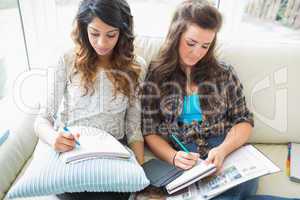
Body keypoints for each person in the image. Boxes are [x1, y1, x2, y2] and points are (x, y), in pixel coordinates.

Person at [141, 0, 257, 199]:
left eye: (205, 46)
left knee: (245, 186)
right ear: (176, 36)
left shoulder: (223, 74)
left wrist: (222, 150)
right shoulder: (157, 75)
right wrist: (174, 156)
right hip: (188, 154)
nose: (197, 53)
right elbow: (149, 129)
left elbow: (243, 120)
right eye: (191, 43)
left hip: (224, 148)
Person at [34, 0, 146, 199]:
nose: (102, 43)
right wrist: (54, 139)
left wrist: (139, 171)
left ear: (122, 32)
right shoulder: (67, 59)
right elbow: (42, 119)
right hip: (73, 152)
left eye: (111, 35)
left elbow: (133, 128)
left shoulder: (136, 66)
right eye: (94, 33)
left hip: (113, 153)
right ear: (83, 28)